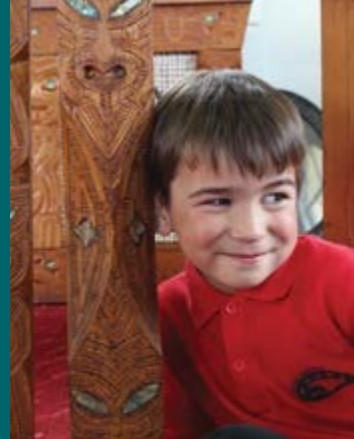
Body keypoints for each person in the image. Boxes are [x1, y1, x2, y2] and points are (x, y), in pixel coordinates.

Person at [146, 70, 354, 439]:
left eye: (275, 196)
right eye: (219, 201)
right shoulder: (166, 314)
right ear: (163, 211)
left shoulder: (343, 278)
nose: (252, 230)